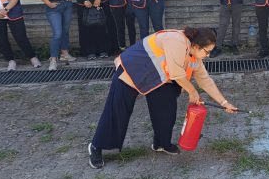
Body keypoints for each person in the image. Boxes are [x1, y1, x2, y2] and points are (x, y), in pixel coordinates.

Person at [87, 27, 238, 169]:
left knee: (167, 108)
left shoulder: (195, 58)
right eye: (207, 51)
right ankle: (96, 146)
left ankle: (161, 143)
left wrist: (225, 103)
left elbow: (206, 81)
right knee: (118, 110)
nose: (208, 56)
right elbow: (175, 73)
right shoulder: (176, 40)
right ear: (197, 46)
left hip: (157, 77)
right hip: (133, 68)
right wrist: (192, 91)